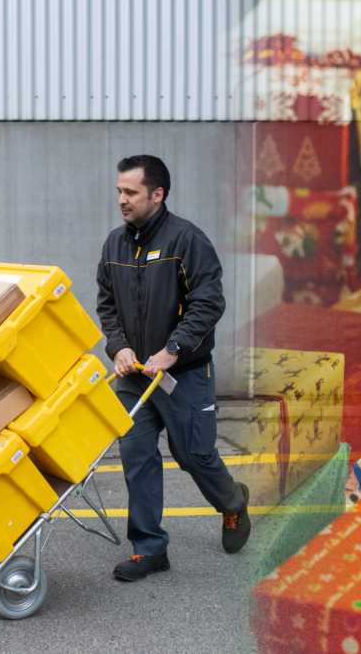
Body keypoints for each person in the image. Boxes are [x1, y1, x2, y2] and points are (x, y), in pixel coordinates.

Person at [96, 154, 249, 582]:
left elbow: (208, 303)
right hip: (136, 376)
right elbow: (107, 304)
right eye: (119, 191)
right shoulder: (115, 244)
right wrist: (119, 347)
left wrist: (174, 349)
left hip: (183, 373)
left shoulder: (188, 241)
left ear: (157, 194)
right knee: (137, 456)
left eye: (131, 192)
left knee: (194, 454)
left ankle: (233, 502)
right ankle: (149, 549)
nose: (122, 200)